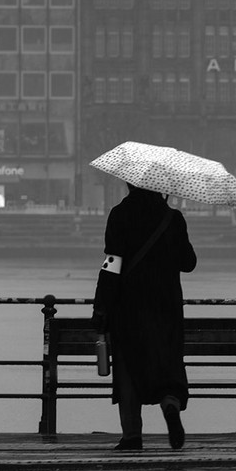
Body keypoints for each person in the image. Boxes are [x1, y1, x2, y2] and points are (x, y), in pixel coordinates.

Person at [91, 183, 197, 451]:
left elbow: (112, 263)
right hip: (166, 308)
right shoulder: (172, 218)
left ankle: (132, 435)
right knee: (167, 363)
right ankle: (170, 404)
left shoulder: (119, 215)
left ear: (128, 184)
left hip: (129, 308)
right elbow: (189, 263)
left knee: (128, 369)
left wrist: (101, 305)